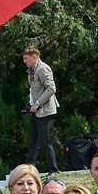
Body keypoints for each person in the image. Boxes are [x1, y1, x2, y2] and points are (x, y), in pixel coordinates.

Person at [21, 44, 59, 172]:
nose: (24, 61)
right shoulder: (31, 71)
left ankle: (53, 169)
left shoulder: (43, 69)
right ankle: (31, 168)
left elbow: (51, 89)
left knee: (44, 140)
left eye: (26, 58)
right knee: (32, 140)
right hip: (34, 110)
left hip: (44, 110)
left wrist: (38, 104)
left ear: (35, 57)